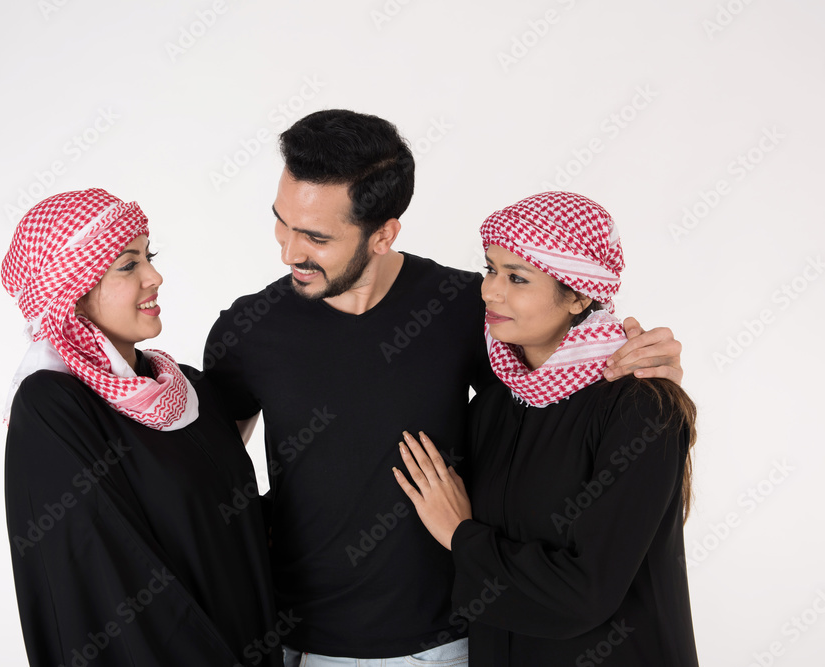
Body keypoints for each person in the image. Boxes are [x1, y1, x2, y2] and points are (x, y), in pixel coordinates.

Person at [202, 110, 685, 666]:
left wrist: (645, 366)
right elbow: (212, 482)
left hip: (441, 645)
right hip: (292, 639)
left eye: (316, 236)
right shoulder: (247, 330)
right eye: (282, 222)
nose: (289, 250)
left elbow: (558, 392)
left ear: (383, 233)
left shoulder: (469, 310)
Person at [393, 191, 699, 665]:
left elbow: (585, 593)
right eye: (492, 268)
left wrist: (460, 534)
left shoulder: (640, 406)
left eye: (518, 277)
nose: (491, 291)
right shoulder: (495, 404)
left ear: (578, 295)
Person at [2, 188, 283, 667]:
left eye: (148, 257)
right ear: (73, 292)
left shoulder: (188, 390)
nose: (155, 276)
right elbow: (109, 581)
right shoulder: (54, 406)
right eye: (128, 265)